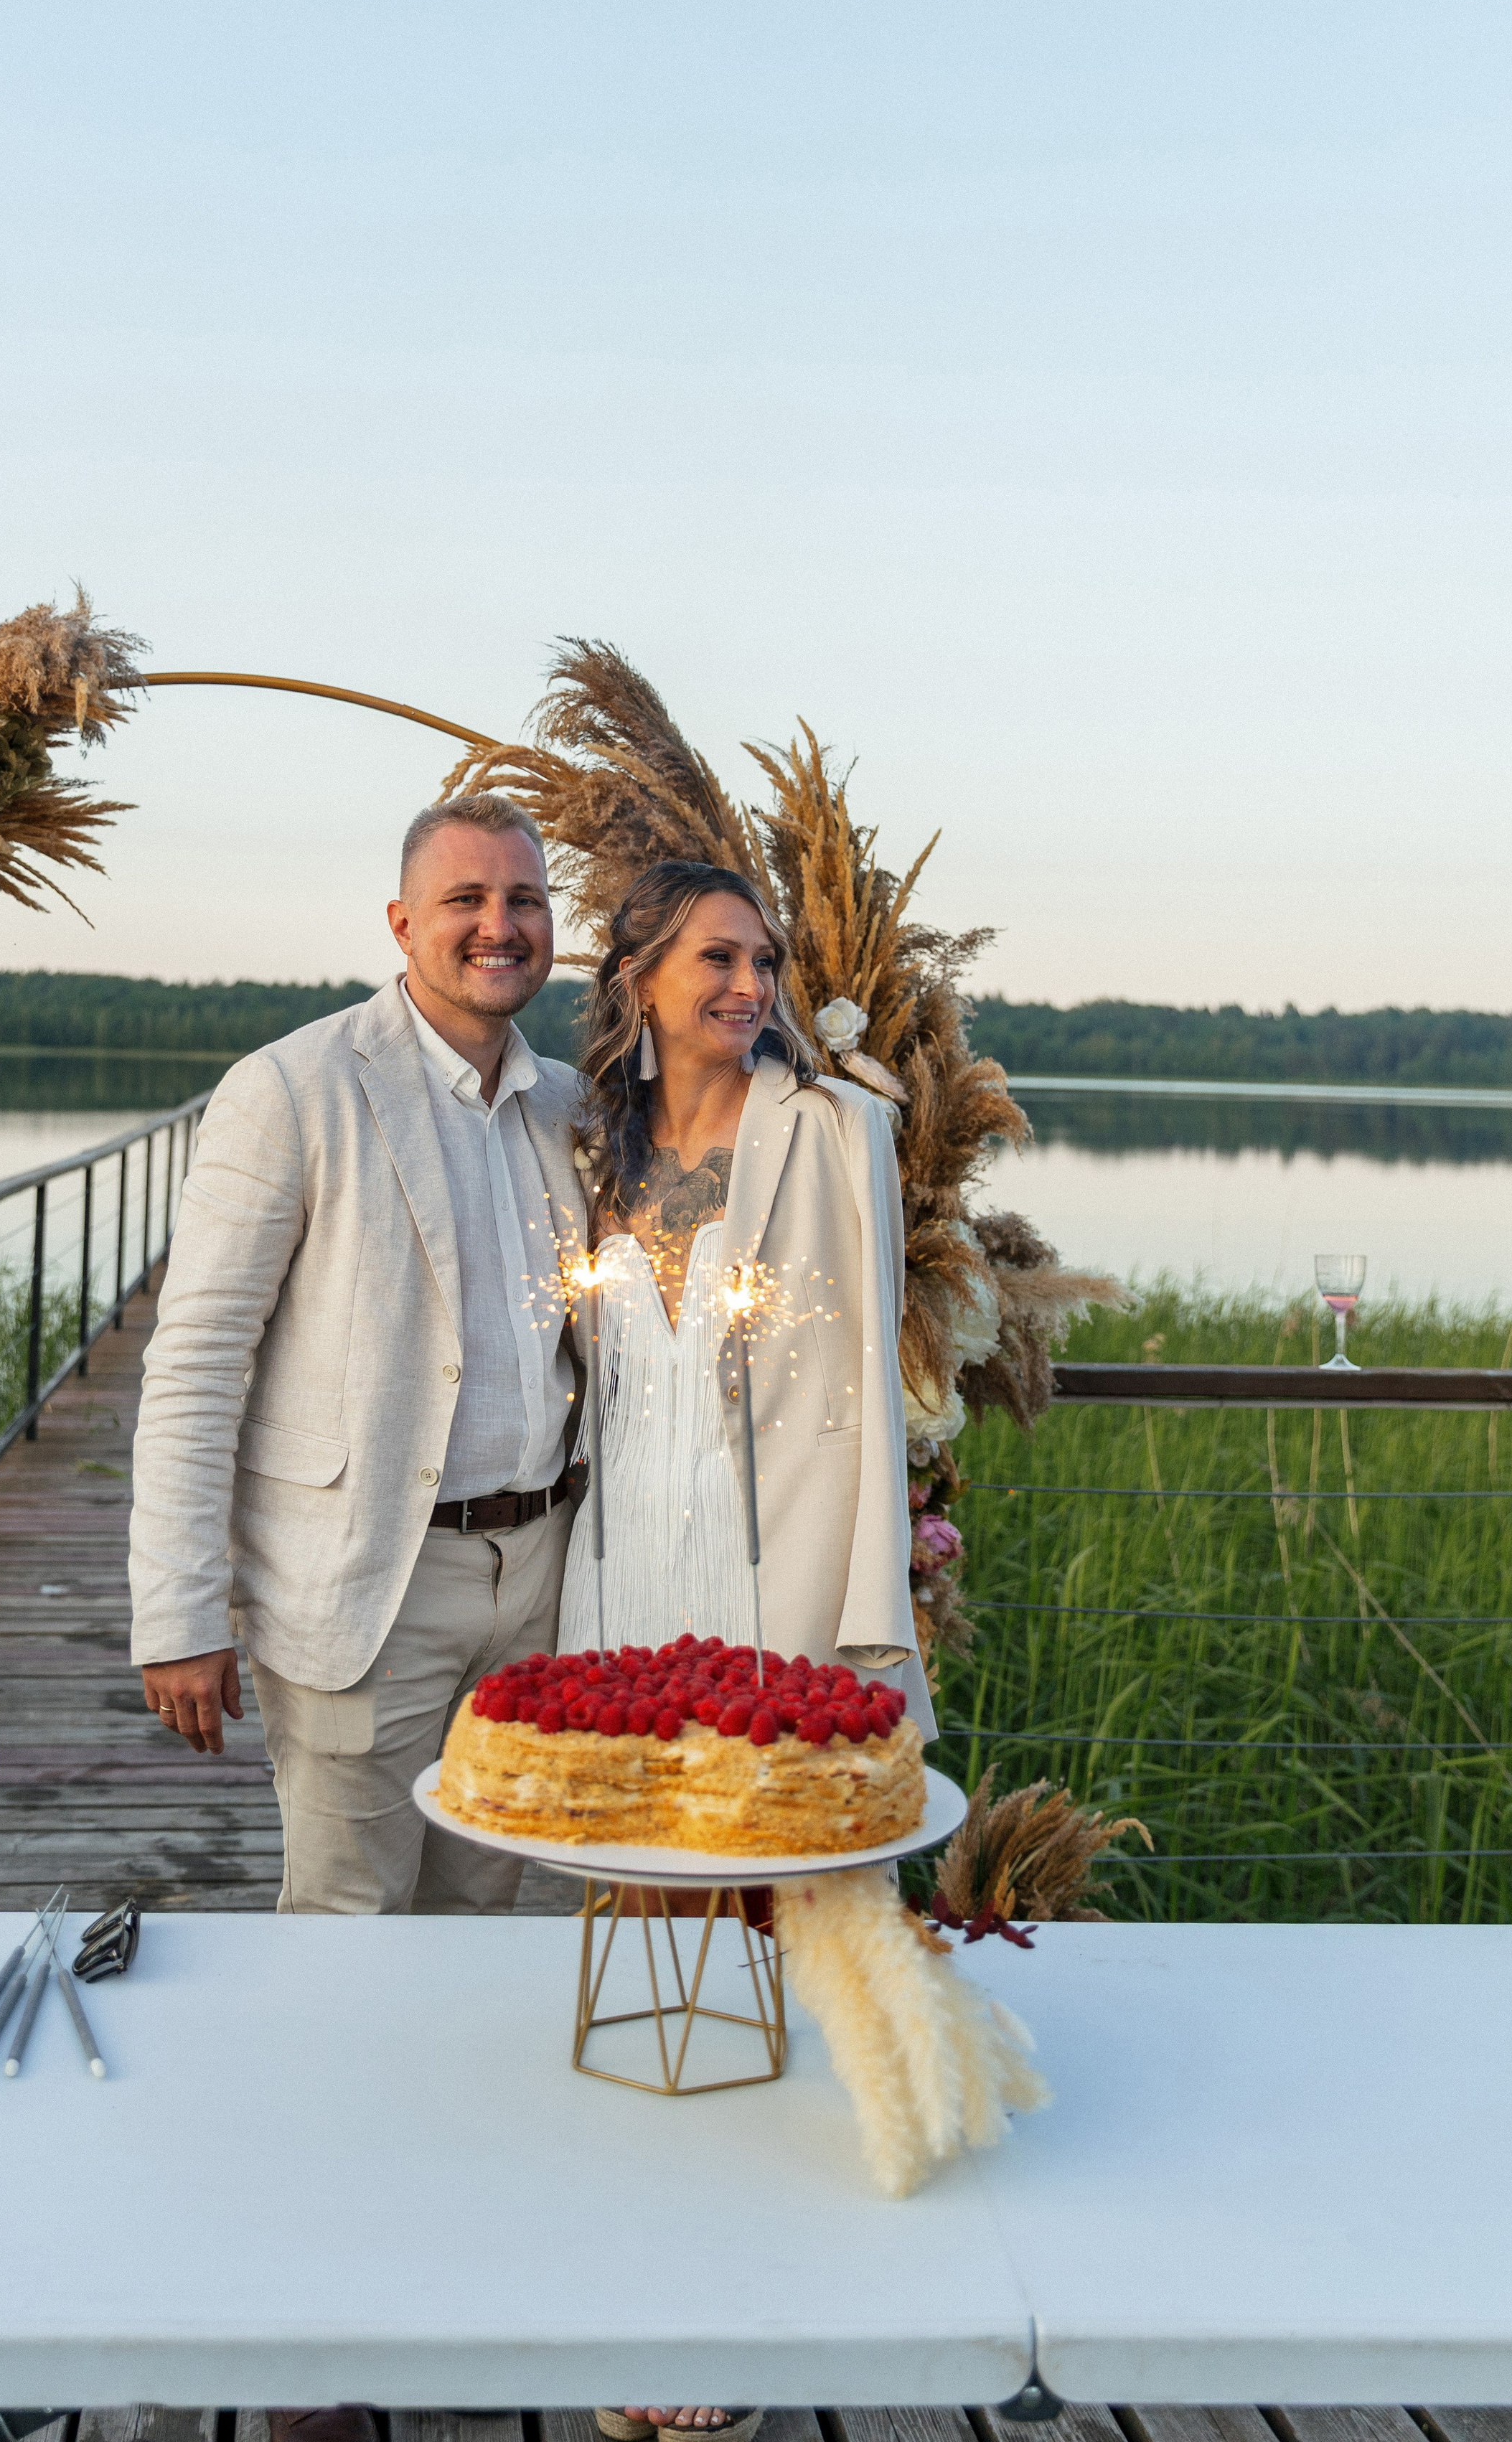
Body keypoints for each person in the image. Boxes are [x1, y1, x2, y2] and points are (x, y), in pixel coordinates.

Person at [563, 858, 926, 2442]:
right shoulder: (583, 1144)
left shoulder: (834, 1131)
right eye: (713, 958)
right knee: (637, 1930)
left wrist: (862, 1617)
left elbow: (864, 1400)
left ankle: (742, 2310)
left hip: (763, 1575)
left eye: (763, 960)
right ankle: (625, 2288)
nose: (748, 986)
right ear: (637, 978)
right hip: (615, 1579)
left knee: (765, 1931)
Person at [127, 790, 587, 1933]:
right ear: (402, 922)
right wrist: (179, 1613)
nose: (499, 925)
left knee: (479, 1907)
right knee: (346, 1928)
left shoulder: (569, 1108)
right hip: (368, 1578)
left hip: (539, 1580)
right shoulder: (292, 1089)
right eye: (466, 898)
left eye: (525, 900)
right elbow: (195, 1362)